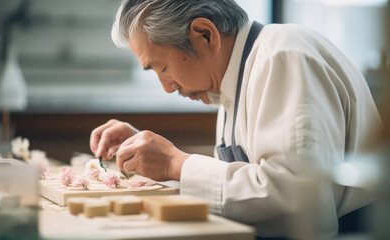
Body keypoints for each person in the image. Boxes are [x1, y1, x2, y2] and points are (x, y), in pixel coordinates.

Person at [90, 0, 381, 238]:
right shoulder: (234, 78)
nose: (167, 87)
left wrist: (174, 163)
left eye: (162, 67)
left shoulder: (282, 55)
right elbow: (247, 184)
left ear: (205, 34)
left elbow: (299, 203)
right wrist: (150, 156)